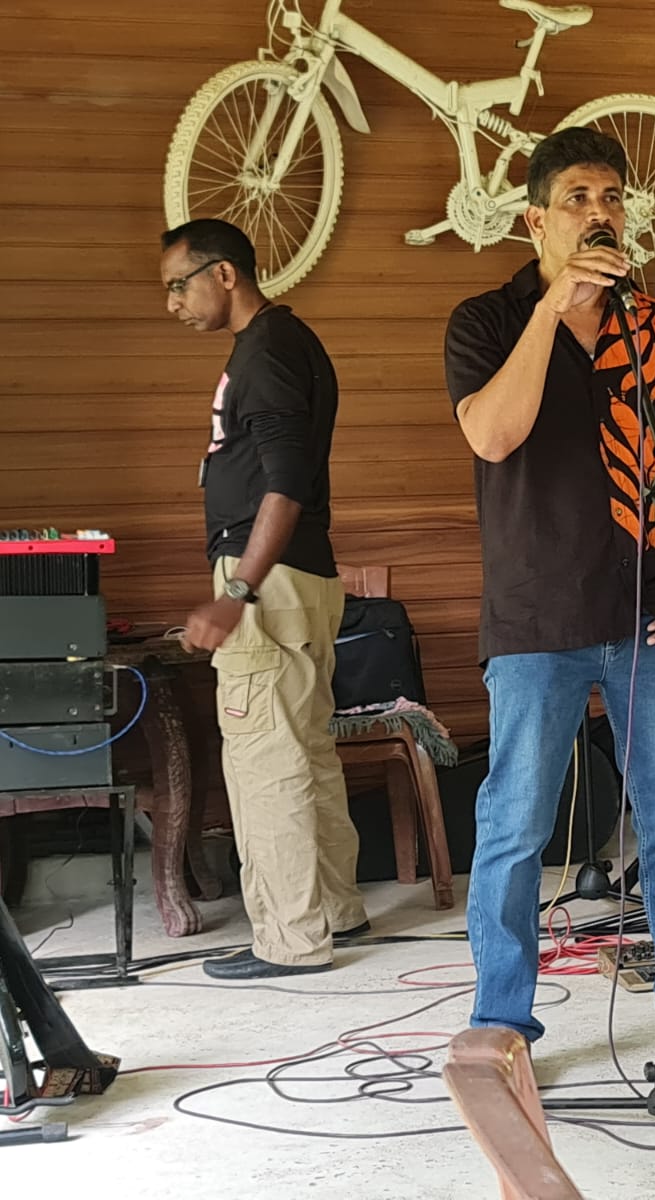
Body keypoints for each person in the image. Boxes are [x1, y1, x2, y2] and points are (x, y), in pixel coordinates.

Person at [443, 128, 655, 1063]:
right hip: (535, 618)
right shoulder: (485, 320)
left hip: (646, 613)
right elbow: (493, 437)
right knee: (515, 825)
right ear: (535, 219)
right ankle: (502, 1024)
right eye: (579, 198)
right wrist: (555, 307)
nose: (600, 212)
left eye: (612, 197)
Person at [160, 218, 368, 980]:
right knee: (307, 751)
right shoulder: (285, 343)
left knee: (265, 762)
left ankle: (290, 938)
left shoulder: (268, 351)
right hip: (302, 574)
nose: (172, 303)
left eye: (178, 284)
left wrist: (238, 590)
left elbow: (285, 481)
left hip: (267, 580)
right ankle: (335, 912)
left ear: (223, 274)